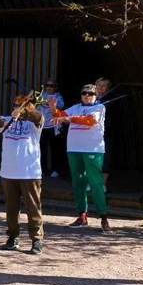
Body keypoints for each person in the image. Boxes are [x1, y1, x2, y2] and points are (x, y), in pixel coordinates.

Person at [49, 85, 111, 232]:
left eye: (90, 94)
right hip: (74, 149)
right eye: (84, 93)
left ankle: (103, 217)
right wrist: (53, 108)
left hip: (92, 150)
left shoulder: (100, 107)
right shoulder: (76, 107)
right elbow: (59, 116)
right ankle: (82, 215)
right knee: (78, 183)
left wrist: (67, 118)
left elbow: (90, 121)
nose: (87, 96)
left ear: (96, 96)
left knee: (96, 183)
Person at [0, 96, 45, 254]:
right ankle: (13, 237)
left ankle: (36, 239)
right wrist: (9, 119)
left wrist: (25, 112)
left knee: (33, 207)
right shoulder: (8, 121)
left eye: (23, 107)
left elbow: (38, 117)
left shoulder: (34, 124)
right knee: (11, 208)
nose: (19, 109)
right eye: (16, 106)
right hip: (9, 172)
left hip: (30, 172)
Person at [40, 79, 64, 177]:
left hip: (53, 127)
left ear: (55, 88)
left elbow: (61, 106)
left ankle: (56, 170)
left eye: (52, 86)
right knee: (41, 149)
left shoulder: (58, 97)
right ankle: (42, 169)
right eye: (47, 85)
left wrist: (51, 104)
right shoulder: (41, 96)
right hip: (41, 127)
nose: (49, 87)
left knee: (55, 149)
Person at [95, 76, 112, 188]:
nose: (101, 87)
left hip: (105, 133)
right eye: (99, 85)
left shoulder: (110, 100)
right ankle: (91, 182)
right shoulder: (88, 99)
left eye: (104, 85)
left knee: (105, 158)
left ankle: (103, 184)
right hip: (91, 134)